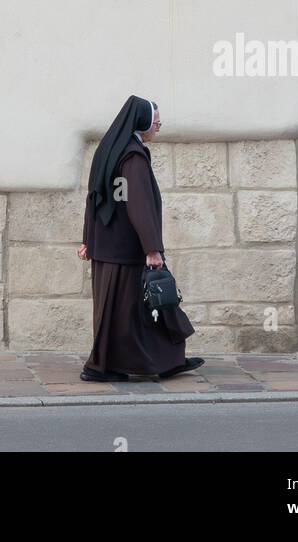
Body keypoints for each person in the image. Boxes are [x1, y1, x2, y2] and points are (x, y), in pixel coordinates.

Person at [78, 95, 204, 382]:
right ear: (142, 122)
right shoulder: (132, 156)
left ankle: (164, 361)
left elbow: (93, 198)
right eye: (156, 122)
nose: (158, 127)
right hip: (127, 248)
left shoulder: (109, 150)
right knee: (136, 309)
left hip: (106, 245)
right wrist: (152, 249)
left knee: (125, 312)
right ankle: (102, 367)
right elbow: (139, 205)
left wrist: (88, 239)